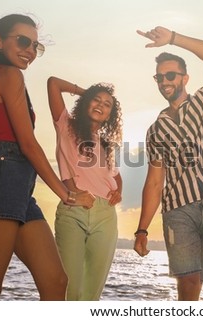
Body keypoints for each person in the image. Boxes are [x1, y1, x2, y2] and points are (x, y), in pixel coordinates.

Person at [0, 14, 94, 300]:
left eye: (36, 46)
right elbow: (28, 144)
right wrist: (66, 194)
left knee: (55, 280)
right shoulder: (8, 74)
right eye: (23, 41)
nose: (30, 50)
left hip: (16, 186)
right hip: (0, 180)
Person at [133, 26, 203, 301]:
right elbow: (155, 181)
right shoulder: (156, 129)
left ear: (185, 77)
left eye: (170, 75)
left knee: (198, 282)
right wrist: (142, 229)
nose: (164, 81)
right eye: (159, 77)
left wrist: (173, 39)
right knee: (188, 281)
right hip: (178, 209)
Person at [47, 76, 123, 300]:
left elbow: (116, 176)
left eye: (107, 104)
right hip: (73, 208)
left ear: (110, 115)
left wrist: (118, 191)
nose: (100, 105)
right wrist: (85, 92)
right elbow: (53, 83)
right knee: (70, 288)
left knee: (91, 294)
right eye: (96, 100)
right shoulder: (66, 125)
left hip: (106, 215)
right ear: (87, 101)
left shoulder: (107, 145)